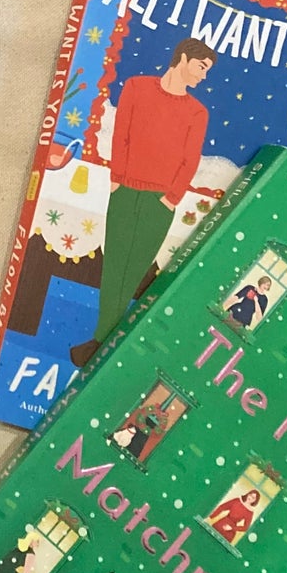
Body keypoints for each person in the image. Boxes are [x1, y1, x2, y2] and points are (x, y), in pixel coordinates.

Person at [70, 38, 216, 365]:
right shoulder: (136, 87)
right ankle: (102, 342)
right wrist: (117, 181)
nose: (204, 76)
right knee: (114, 268)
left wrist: (171, 198)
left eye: (207, 70)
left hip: (159, 203)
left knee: (134, 272)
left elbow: (190, 159)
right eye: (201, 67)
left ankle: (101, 344)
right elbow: (121, 135)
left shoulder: (197, 111)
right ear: (183, 58)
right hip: (125, 191)